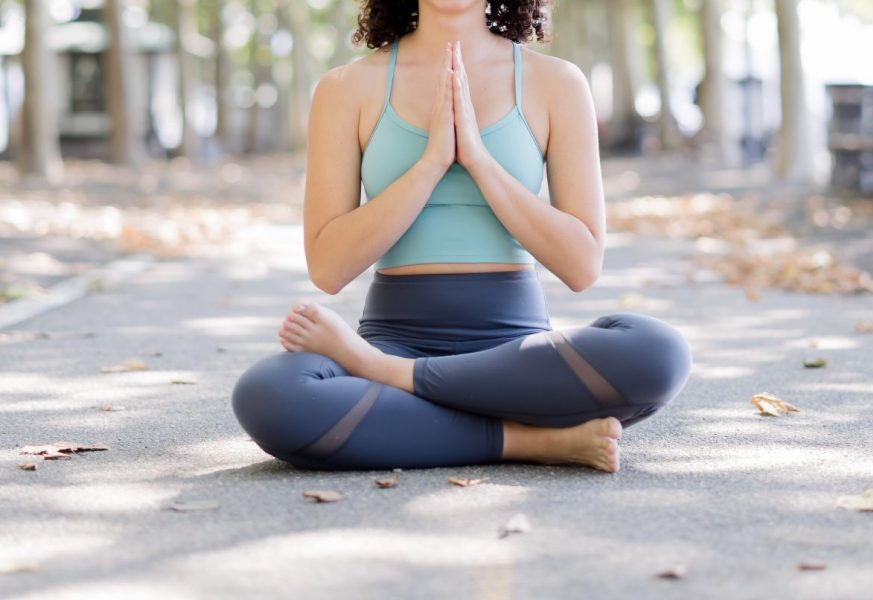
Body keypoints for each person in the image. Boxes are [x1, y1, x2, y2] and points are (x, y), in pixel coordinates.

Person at [231, 0, 692, 474]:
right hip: (394, 337)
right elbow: (328, 268)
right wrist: (429, 165)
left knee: (659, 353)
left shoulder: (556, 82)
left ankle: (400, 386)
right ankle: (530, 440)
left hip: (512, 359)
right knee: (268, 394)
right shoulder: (346, 88)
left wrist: (478, 160)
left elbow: (582, 265)